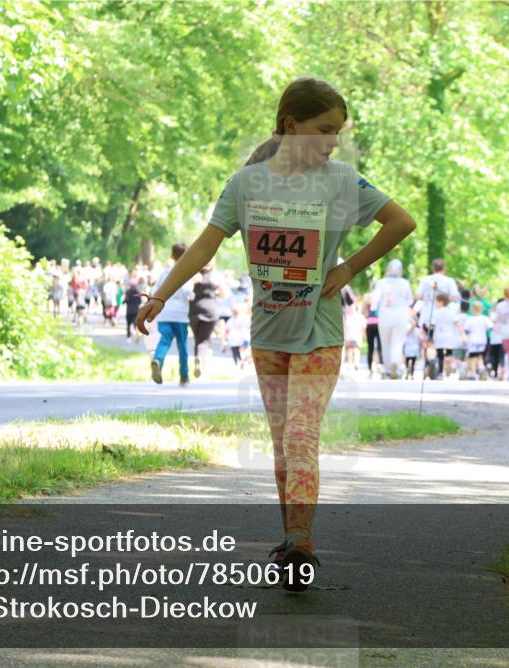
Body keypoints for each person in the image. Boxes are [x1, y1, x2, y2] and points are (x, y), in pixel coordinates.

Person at [136, 77, 416, 591]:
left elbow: (401, 221)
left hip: (321, 330)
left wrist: (349, 267)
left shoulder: (340, 180)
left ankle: (301, 542)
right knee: (282, 447)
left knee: (302, 436)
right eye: (325, 130)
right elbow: (203, 248)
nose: (334, 141)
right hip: (267, 333)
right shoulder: (247, 185)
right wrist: (158, 294)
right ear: (292, 126)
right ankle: (291, 536)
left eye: (339, 131)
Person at [148, 243, 195, 386]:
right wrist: (193, 295)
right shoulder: (187, 272)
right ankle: (184, 376)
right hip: (180, 316)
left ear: (172, 255)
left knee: (164, 340)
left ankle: (158, 359)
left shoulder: (165, 272)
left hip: (165, 313)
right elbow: (188, 293)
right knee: (182, 346)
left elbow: (155, 290)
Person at [372, 258, 414, 379]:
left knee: (385, 343)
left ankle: (387, 368)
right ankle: (395, 364)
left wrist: (374, 309)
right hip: (401, 316)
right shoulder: (405, 283)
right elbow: (410, 300)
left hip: (385, 316)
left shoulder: (382, 282)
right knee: (398, 342)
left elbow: (375, 298)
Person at [189, 263, 222, 379]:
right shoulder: (215, 276)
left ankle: (197, 362)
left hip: (194, 310)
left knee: (198, 339)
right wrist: (215, 293)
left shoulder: (194, 275)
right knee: (205, 340)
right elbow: (224, 294)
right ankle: (199, 358)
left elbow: (188, 292)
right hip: (210, 310)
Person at [430, 294, 465, 379]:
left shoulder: (435, 312)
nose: (436, 304)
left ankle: (440, 372)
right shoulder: (451, 312)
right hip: (450, 335)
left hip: (439, 335)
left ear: (441, 302)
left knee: (440, 354)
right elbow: (457, 323)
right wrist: (463, 334)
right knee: (449, 353)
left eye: (437, 302)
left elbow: (432, 325)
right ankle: (448, 367)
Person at [464, 301, 493, 380]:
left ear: (472, 309)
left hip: (472, 341)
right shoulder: (485, 318)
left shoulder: (470, 319)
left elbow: (466, 331)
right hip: (482, 341)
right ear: (482, 309)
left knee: (472, 357)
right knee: (480, 356)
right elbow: (491, 327)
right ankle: (481, 368)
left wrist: (464, 338)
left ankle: (473, 373)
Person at [362, 281, 382, 378]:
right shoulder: (381, 297)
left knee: (370, 347)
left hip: (370, 323)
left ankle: (370, 368)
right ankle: (380, 366)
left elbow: (363, 311)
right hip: (379, 323)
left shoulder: (367, 297)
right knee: (379, 346)